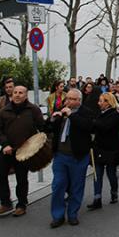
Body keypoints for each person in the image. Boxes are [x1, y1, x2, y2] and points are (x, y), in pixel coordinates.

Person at [0, 85, 45, 217]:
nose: (17, 95)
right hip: (7, 149)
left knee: (21, 179)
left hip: (24, 150)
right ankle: (5, 203)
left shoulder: (33, 110)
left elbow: (42, 128)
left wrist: (37, 144)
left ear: (26, 95)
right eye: (15, 92)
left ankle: (21, 204)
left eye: (20, 93)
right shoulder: (4, 111)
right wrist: (5, 144)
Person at [47, 89, 94, 227]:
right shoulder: (61, 110)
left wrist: (71, 116)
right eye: (67, 98)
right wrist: (52, 118)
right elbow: (48, 128)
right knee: (58, 185)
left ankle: (72, 214)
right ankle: (58, 215)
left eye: (72, 99)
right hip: (61, 155)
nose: (68, 101)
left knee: (76, 186)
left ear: (79, 100)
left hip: (78, 156)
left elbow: (88, 127)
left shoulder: (86, 112)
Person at [87, 93, 119, 210]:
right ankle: (97, 198)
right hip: (98, 148)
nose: (98, 103)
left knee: (111, 174)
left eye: (101, 101)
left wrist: (93, 122)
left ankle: (114, 191)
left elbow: (105, 127)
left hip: (111, 149)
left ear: (108, 102)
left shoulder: (115, 115)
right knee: (97, 175)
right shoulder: (99, 114)